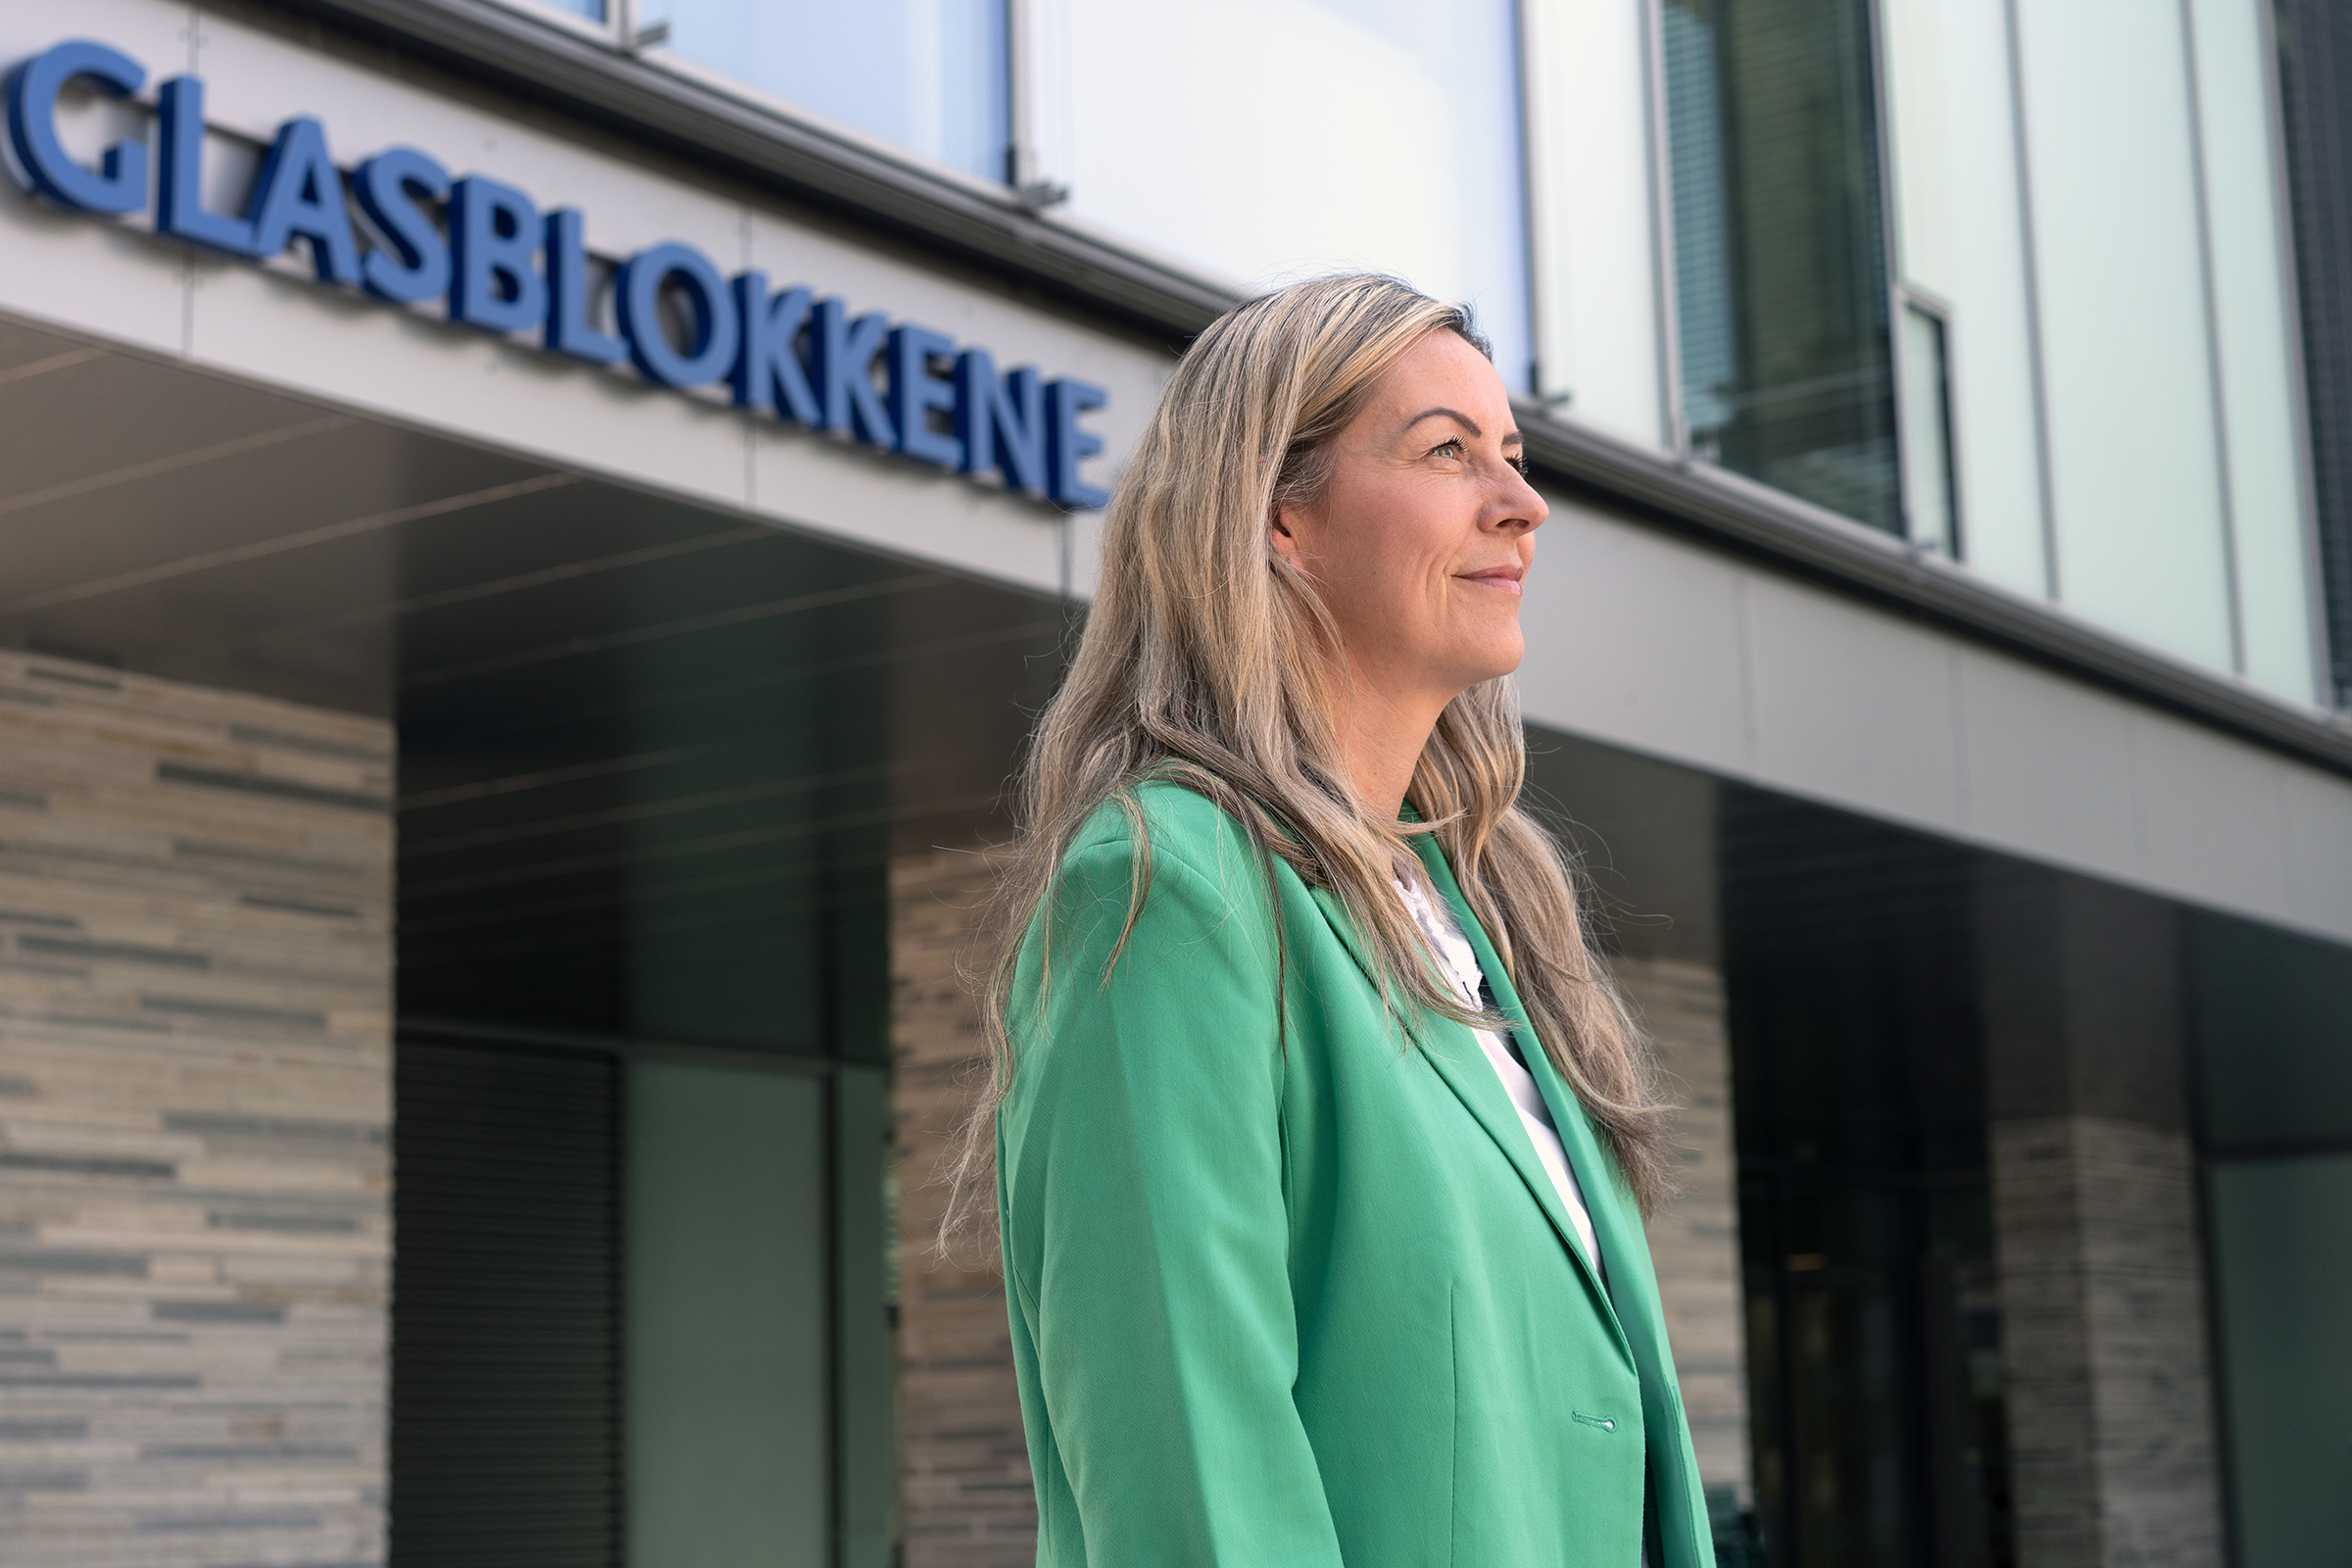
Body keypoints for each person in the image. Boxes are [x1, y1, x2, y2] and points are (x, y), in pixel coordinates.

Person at [956, 274, 1712, 1567]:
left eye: (1515, 460)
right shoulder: (1166, 886)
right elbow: (1189, 1474)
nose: (1521, 506)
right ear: (1280, 519)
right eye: (1447, 453)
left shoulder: (1483, 917)